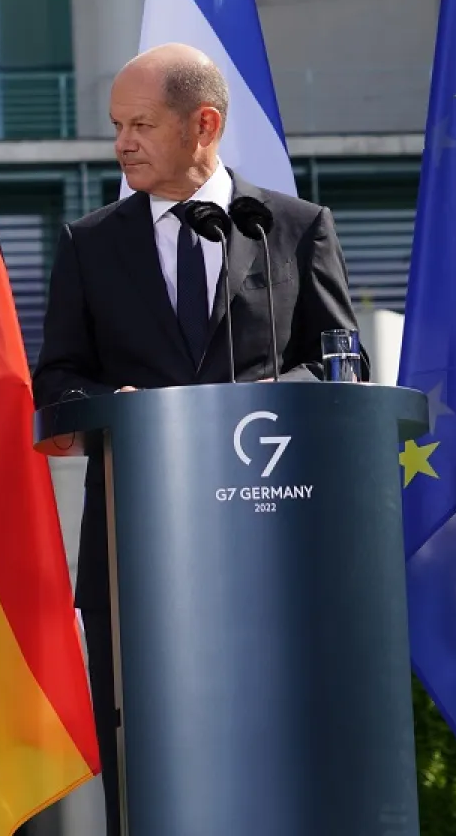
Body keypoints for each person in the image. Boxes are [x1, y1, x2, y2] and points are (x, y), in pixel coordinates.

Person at [31, 43, 363, 831]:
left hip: (277, 540)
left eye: (141, 124)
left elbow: (343, 366)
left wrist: (252, 409)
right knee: (151, 776)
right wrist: (120, 405)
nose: (123, 143)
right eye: (118, 125)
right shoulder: (90, 243)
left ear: (203, 124)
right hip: (137, 556)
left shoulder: (295, 227)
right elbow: (57, 382)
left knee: (283, 763)